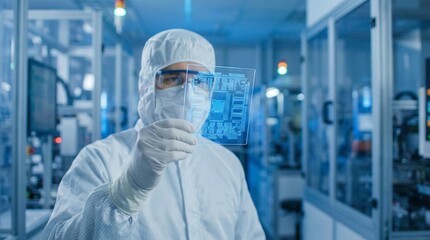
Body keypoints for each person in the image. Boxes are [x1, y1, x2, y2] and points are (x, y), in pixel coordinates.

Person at [42, 29, 265, 239]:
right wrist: (128, 189)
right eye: (173, 78)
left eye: (199, 81)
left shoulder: (228, 164)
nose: (188, 92)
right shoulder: (99, 159)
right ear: (145, 87)